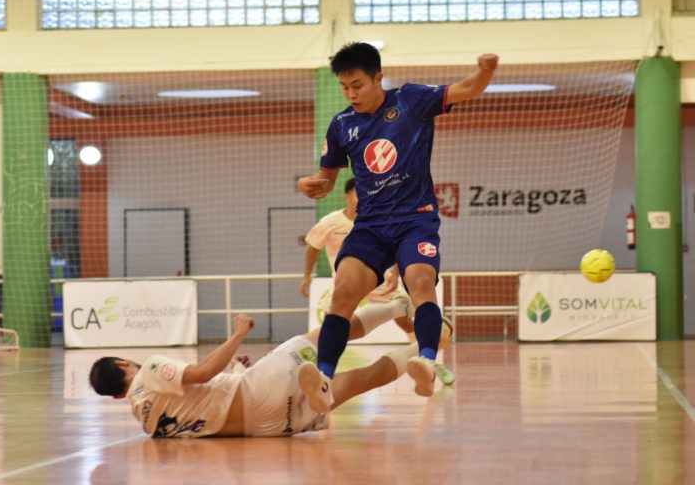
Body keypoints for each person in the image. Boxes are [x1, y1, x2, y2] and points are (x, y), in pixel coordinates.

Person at [297, 42, 497, 410]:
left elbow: (465, 89)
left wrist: (485, 71)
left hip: (414, 219)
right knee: (343, 293)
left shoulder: (410, 101)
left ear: (378, 77)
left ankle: (426, 362)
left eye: (357, 84)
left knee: (420, 282)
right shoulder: (342, 125)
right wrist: (311, 185)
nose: (350, 93)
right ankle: (324, 377)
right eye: (344, 87)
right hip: (371, 227)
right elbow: (325, 179)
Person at [89, 311, 451, 439]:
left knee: (354, 382)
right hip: (253, 392)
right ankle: (405, 315)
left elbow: (202, 405)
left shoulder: (148, 423)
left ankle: (416, 353)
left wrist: (234, 369)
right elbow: (201, 374)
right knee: (319, 337)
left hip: (271, 426)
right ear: (123, 366)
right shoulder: (148, 372)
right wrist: (238, 333)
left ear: (117, 397)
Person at [300, 176, 455, 385]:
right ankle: (313, 368)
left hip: (382, 282)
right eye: (358, 192)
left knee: (405, 320)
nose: (364, 195)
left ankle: (429, 361)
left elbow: (404, 245)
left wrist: (396, 272)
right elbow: (313, 246)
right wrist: (307, 276)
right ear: (348, 196)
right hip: (350, 284)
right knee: (332, 325)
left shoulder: (384, 218)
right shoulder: (331, 221)